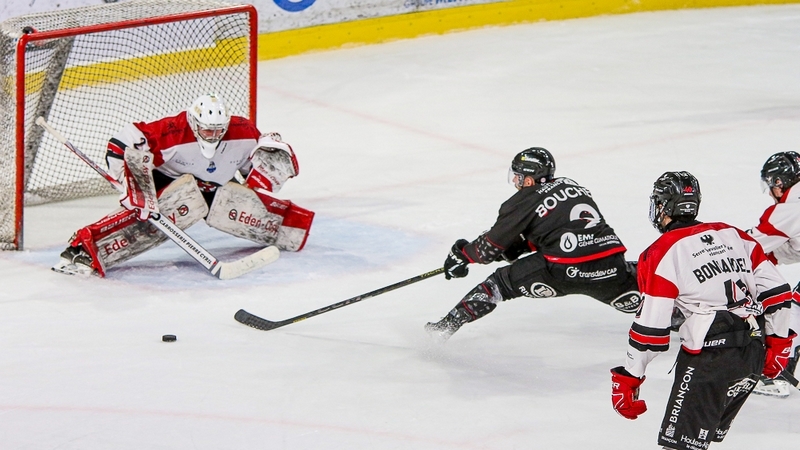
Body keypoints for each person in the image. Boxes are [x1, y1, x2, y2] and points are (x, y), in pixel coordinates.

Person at [609, 171, 794, 450]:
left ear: (664, 206)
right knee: (698, 442)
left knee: (681, 446)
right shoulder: (733, 235)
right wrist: (779, 342)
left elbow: (651, 330)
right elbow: (779, 293)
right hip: (752, 354)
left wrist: (630, 376)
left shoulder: (661, 251)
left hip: (711, 358)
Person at [53, 93, 314, 277]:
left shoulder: (243, 131)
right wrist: (129, 182)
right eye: (206, 130)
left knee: (230, 203)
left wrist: (266, 163)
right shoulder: (172, 131)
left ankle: (288, 226)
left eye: (218, 130)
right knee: (183, 203)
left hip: (213, 183)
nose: (213, 136)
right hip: (166, 179)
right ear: (193, 122)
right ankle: (85, 248)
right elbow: (122, 142)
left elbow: (255, 171)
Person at [425, 147, 641, 340]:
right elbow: (561, 227)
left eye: (518, 177)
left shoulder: (523, 200)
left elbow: (487, 249)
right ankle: (675, 319)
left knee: (498, 285)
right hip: (610, 265)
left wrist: (462, 254)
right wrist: (520, 246)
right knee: (650, 298)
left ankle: (445, 328)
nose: (515, 182)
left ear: (528, 180)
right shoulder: (572, 185)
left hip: (561, 270)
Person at [744, 151, 800, 396]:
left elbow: (748, 246)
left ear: (780, 182)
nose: (769, 193)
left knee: (794, 309)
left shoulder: (789, 209)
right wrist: (773, 257)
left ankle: (777, 377)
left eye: (771, 185)